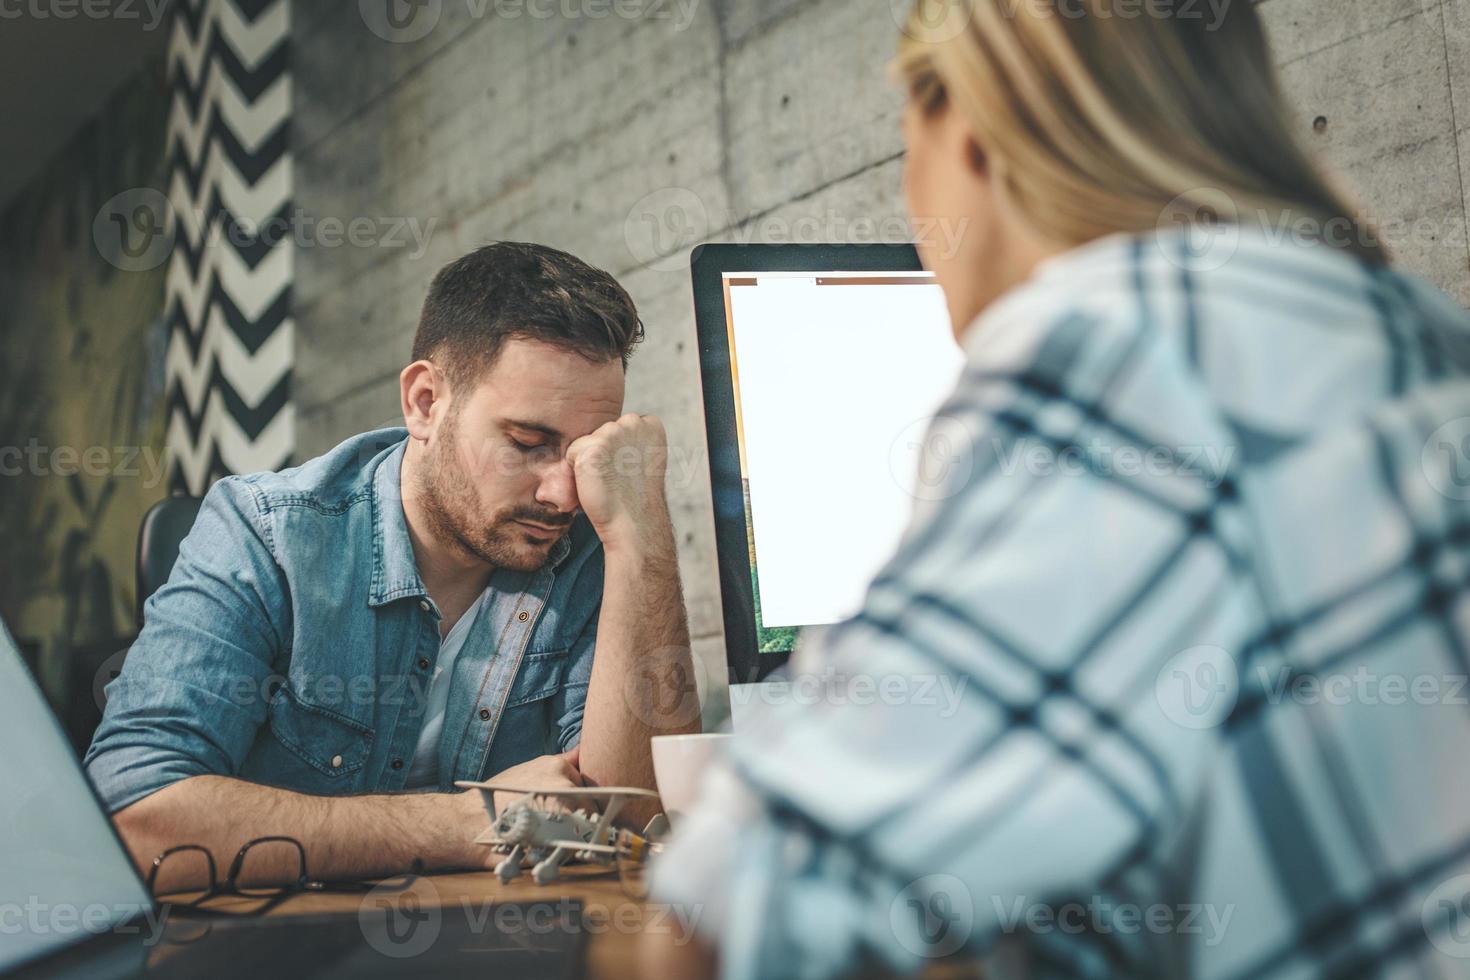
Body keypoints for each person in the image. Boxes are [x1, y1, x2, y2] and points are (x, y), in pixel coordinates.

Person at [645, 1, 1470, 977]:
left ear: (972, 135)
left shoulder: (1121, 343)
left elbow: (734, 919)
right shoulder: (1425, 337)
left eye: (908, 147)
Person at [87, 242, 699, 890]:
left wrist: (641, 539)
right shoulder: (265, 534)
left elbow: (639, 823)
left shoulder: (585, 544)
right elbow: (134, 816)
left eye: (582, 454)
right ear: (425, 402)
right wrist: (471, 822)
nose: (561, 493)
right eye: (526, 442)